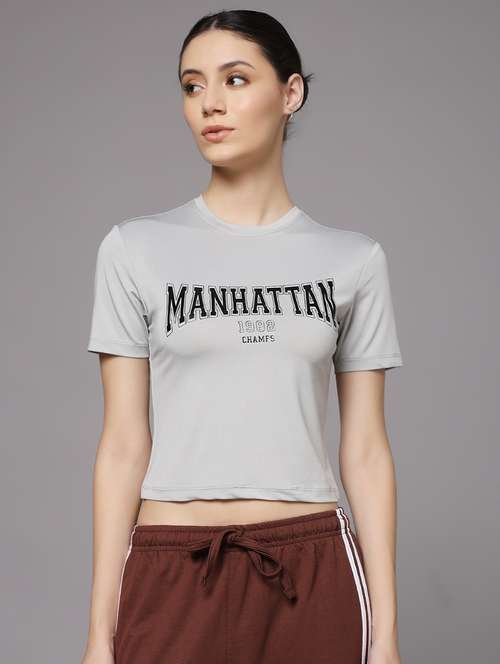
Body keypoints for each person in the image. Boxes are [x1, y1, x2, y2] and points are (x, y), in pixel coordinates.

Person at [81, 9, 404, 664]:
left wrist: (386, 635)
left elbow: (367, 451)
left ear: (291, 93)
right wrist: (98, 634)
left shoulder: (353, 260)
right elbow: (122, 444)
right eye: (192, 85)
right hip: (172, 566)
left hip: (309, 566)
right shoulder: (134, 249)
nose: (210, 104)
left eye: (235, 79)